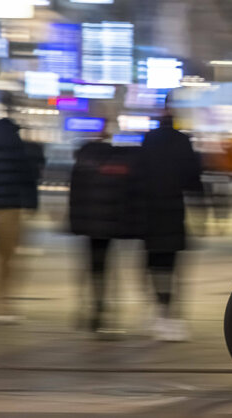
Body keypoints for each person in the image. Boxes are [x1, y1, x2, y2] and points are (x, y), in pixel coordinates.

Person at [137, 95, 202, 341]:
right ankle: (167, 313)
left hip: (151, 210)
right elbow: (193, 177)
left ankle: (161, 311)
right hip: (173, 209)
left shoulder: (148, 140)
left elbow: (138, 176)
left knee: (156, 263)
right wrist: (203, 210)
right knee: (170, 264)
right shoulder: (182, 141)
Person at [69, 124, 140, 334]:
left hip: (89, 225)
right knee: (109, 267)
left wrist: (75, 224)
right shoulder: (117, 161)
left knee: (93, 266)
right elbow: (126, 197)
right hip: (111, 226)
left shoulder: (82, 162)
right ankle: (107, 310)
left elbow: (75, 197)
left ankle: (91, 307)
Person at [0, 91, 40, 324]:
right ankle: (2, 306)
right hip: (9, 206)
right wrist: (32, 203)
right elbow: (27, 177)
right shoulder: (18, 143)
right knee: (6, 257)